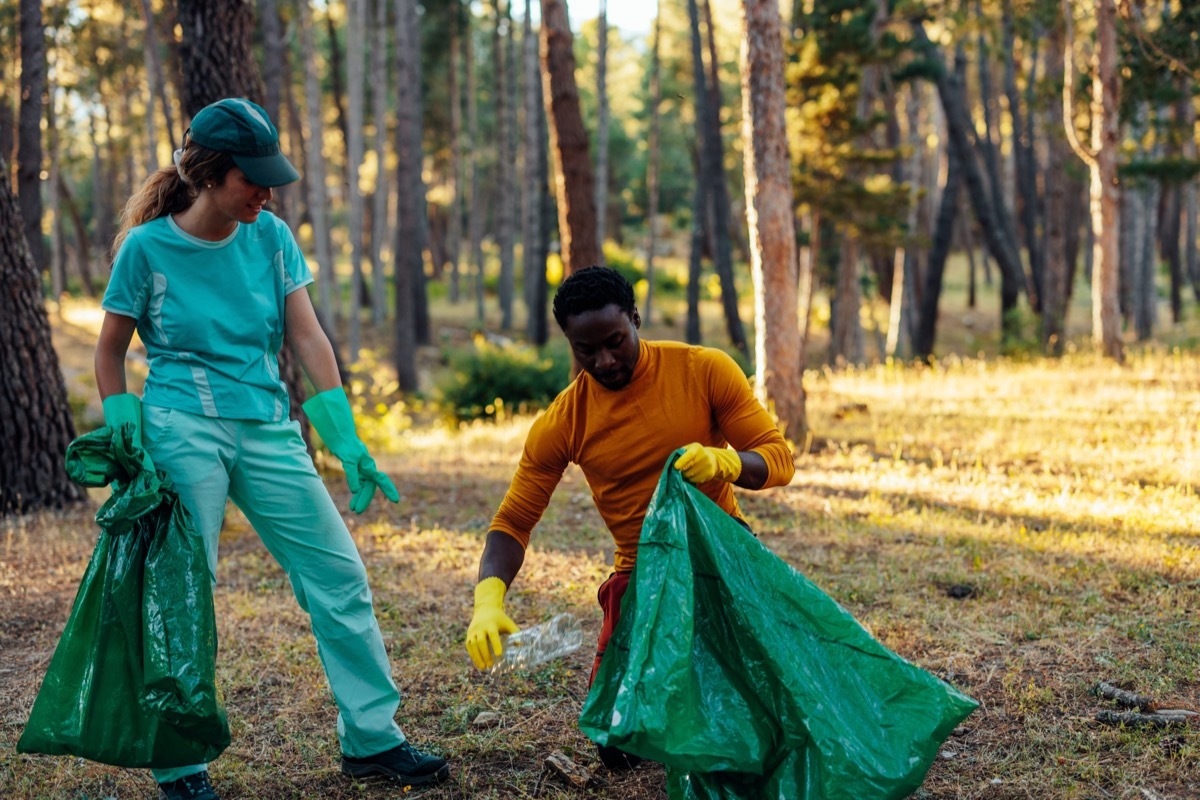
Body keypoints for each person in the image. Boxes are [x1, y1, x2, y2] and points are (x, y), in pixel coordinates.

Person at [95, 98, 449, 800]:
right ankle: (180, 764)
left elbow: (307, 335)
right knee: (185, 590)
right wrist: (122, 419)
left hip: (266, 425)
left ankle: (373, 740)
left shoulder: (272, 237)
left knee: (339, 572)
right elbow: (111, 350)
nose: (266, 191)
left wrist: (344, 436)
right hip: (179, 428)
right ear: (209, 176)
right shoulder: (148, 248)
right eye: (252, 179)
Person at [463, 266, 795, 769]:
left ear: (636, 317)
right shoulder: (564, 421)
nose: (605, 360)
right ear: (569, 343)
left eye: (616, 341)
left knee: (764, 715)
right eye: (586, 350)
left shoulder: (703, 370)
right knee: (617, 743)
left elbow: (778, 458)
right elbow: (513, 521)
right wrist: (488, 599)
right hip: (641, 575)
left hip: (722, 558)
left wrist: (726, 461)